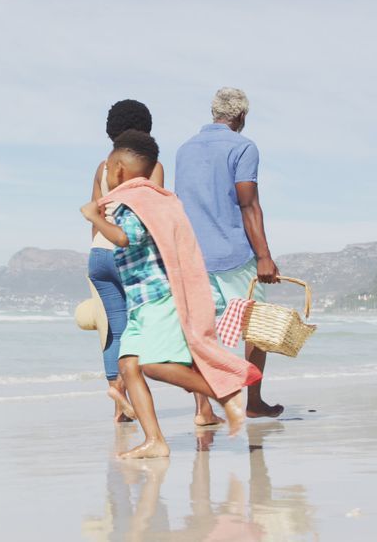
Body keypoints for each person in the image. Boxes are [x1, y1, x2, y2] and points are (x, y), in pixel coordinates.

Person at [81, 130, 258, 459]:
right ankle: (155, 441)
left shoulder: (135, 204)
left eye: (107, 169)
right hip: (140, 301)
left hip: (157, 300)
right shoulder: (149, 199)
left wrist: (94, 218)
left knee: (153, 365)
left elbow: (123, 239)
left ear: (117, 170)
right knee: (129, 366)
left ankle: (225, 392)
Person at [175, 87, 283, 420]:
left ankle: (204, 408)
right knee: (258, 327)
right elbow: (248, 203)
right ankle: (253, 401)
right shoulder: (243, 147)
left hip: (192, 255)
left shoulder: (184, 150)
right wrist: (264, 255)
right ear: (240, 117)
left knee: (199, 333)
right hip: (233, 255)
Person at [87, 99, 165, 422]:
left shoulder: (102, 168)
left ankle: (120, 406)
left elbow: (96, 215)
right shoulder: (151, 166)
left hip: (98, 253)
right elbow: (154, 215)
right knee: (136, 331)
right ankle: (131, 395)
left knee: (112, 331)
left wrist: (94, 256)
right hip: (129, 254)